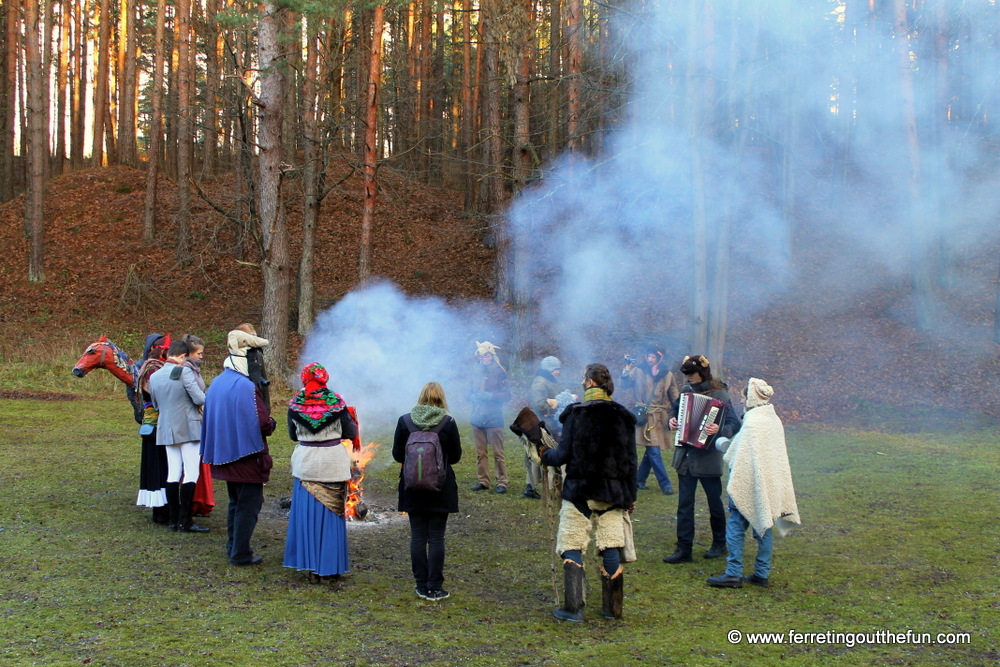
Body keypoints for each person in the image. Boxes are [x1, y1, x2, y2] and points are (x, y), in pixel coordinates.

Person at [540, 364, 637, 622]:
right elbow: (631, 462)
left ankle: (573, 609)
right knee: (611, 544)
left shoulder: (576, 414)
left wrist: (543, 454)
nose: (582, 382)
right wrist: (630, 496)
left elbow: (562, 455)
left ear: (591, 383)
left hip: (580, 490)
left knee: (572, 542)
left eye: (584, 378)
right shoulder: (623, 416)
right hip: (614, 492)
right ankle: (612, 609)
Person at [707, 378, 800, 588]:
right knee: (764, 526)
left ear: (752, 397)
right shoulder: (772, 419)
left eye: (743, 397)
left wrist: (724, 446)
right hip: (768, 483)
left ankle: (733, 572)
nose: (742, 400)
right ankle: (761, 572)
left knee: (736, 527)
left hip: (747, 483)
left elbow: (738, 453)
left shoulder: (752, 421)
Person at [282, 363, 359, 582]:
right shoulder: (337, 401)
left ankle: (311, 568)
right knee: (332, 518)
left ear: (304, 378)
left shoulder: (295, 403)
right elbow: (350, 431)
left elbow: (292, 436)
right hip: (332, 463)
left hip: (306, 463)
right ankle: (330, 568)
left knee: (307, 517)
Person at [663, 355, 741, 563]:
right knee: (684, 505)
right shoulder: (686, 391)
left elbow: (735, 423)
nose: (687, 378)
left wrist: (720, 430)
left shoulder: (720, 394)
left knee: (714, 503)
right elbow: (674, 408)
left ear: (702, 373)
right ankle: (683, 548)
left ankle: (719, 544)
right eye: (686, 374)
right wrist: (671, 420)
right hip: (686, 458)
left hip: (708, 459)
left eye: (691, 374)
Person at [201, 360, 276, 566]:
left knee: (235, 503)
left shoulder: (217, 382)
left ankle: (233, 546)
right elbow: (262, 422)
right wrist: (272, 424)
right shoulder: (246, 387)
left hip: (226, 452)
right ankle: (240, 553)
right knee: (248, 506)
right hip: (246, 456)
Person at [393, 382, 462, 601]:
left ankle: (420, 585)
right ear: (442, 398)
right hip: (440, 487)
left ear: (420, 397)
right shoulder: (448, 422)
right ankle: (435, 587)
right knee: (436, 537)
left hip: (412, 486)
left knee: (417, 537)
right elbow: (457, 456)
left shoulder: (405, 421)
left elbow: (397, 454)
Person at [149, 339, 208, 533]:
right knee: (191, 473)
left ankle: (174, 520)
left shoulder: (155, 376)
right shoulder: (184, 372)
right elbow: (199, 398)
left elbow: (156, 405)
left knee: (173, 473)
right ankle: (186, 520)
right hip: (188, 427)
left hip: (166, 427)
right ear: (182, 356)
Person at [620, 344, 680, 495]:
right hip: (643, 416)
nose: (650, 359)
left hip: (659, 417)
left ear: (660, 358)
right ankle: (665, 484)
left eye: (653, 357)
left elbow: (675, 397)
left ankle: (639, 480)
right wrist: (627, 369)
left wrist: (681, 411)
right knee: (653, 450)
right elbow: (624, 385)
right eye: (648, 356)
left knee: (651, 450)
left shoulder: (667, 374)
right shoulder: (638, 370)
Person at [135, 333, 170, 524]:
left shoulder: (150, 367)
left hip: (156, 423)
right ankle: (161, 511)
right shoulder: (152, 369)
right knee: (159, 467)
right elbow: (156, 394)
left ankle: (162, 510)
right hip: (156, 424)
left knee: (161, 466)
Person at [469, 341, 511, 493]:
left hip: (494, 417)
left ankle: (502, 482)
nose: (482, 358)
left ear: (491, 356)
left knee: (498, 453)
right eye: (480, 356)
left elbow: (507, 395)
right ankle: (483, 481)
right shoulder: (475, 371)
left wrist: (490, 396)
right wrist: (472, 397)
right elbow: (467, 391)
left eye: (485, 355)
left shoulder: (500, 372)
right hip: (477, 416)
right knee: (480, 453)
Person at [181, 334, 214, 517]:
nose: (202, 356)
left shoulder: (193, 370)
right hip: (192, 420)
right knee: (191, 467)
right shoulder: (187, 370)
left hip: (197, 417)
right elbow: (198, 397)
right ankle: (190, 507)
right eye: (199, 353)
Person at [526, 355, 563, 499]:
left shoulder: (550, 380)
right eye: (556, 369)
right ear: (549, 369)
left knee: (540, 454)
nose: (558, 372)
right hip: (544, 424)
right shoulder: (540, 382)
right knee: (539, 455)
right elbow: (540, 403)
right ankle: (533, 486)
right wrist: (558, 404)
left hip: (552, 423)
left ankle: (534, 486)